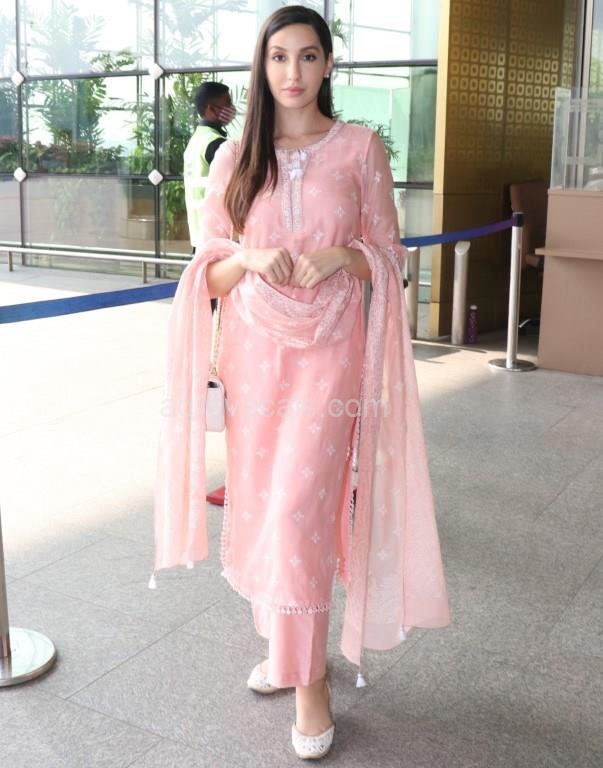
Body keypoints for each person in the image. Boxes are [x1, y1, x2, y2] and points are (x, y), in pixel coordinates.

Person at [152, 5, 450, 761]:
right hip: (254, 357)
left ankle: (310, 681)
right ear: (262, 66)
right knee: (264, 506)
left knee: (298, 510)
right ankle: (287, 652)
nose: (293, 71)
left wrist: (343, 257)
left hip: (330, 358)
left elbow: (389, 256)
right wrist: (249, 258)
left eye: (308, 56)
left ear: (327, 65)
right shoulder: (236, 156)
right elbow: (208, 271)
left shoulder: (358, 149)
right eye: (279, 56)